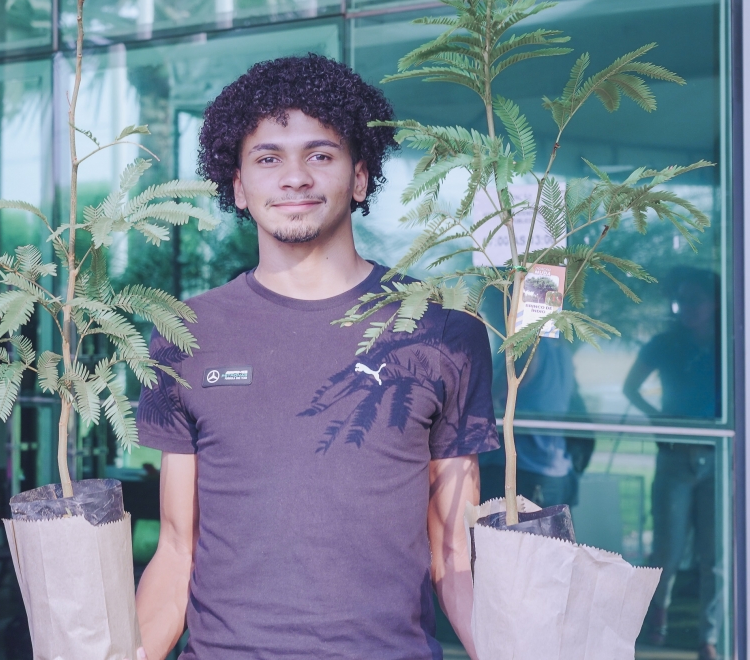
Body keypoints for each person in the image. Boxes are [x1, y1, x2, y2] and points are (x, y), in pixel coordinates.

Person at [134, 55, 500, 660]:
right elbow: (177, 553)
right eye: (268, 158)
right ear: (238, 186)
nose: (295, 178)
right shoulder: (185, 334)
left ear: (360, 178)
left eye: (321, 155)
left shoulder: (442, 331)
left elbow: (454, 552)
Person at [623, 267, 721, 660]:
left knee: (715, 554)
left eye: (696, 300)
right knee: (668, 547)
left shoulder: (729, 341)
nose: (687, 308)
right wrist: (658, 420)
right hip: (675, 456)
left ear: (715, 303)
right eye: (681, 301)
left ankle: (710, 636)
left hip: (720, 455)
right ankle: (656, 618)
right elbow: (630, 387)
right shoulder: (664, 343)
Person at [480, 338, 580, 508]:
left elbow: (515, 375)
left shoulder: (527, 340)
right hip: (554, 469)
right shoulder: (561, 347)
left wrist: (479, 398)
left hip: (522, 467)